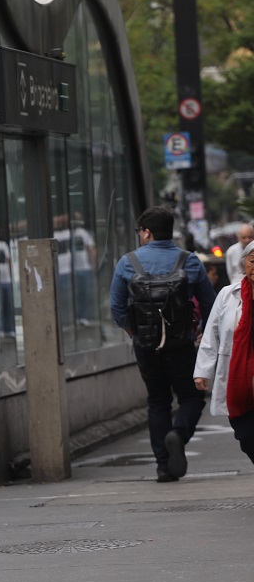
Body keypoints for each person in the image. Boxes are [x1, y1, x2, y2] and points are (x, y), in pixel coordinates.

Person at [110, 207, 216, 482]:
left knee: (157, 401)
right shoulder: (189, 261)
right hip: (181, 344)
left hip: (146, 345)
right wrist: (202, 332)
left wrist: (133, 331)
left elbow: (117, 307)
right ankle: (178, 434)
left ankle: (163, 467)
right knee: (192, 398)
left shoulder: (127, 262)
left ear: (146, 232)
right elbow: (209, 304)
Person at [195, 241, 254, 465]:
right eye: (252, 260)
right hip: (238, 376)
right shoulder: (228, 294)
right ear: (244, 264)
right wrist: (203, 371)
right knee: (246, 436)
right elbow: (212, 334)